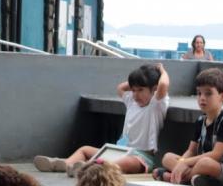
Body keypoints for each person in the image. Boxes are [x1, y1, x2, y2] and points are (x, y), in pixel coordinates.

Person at [33, 63, 169, 176]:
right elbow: (121, 87)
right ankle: (65, 164)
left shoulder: (155, 104)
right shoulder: (131, 102)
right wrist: (137, 80)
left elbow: (163, 84)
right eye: (133, 90)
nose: (135, 94)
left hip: (141, 157)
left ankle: (86, 168)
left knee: (123, 163)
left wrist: (161, 70)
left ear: (154, 89)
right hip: (120, 150)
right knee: (85, 149)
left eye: (140, 90)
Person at [153, 67, 223, 186]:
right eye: (199, 93)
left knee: (205, 163)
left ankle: (178, 178)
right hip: (199, 167)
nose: (202, 98)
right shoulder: (201, 120)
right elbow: (191, 150)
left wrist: (185, 163)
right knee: (167, 158)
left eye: (208, 93)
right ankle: (192, 178)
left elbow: (216, 155)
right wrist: (181, 163)